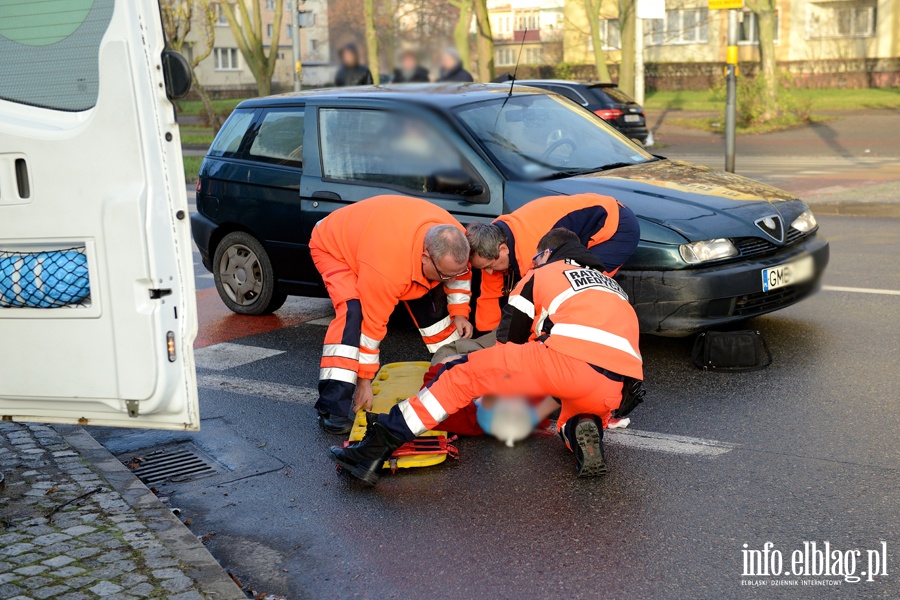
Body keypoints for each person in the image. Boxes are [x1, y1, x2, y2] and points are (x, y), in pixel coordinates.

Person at [329, 228, 644, 484]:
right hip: (617, 387)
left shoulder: (544, 274)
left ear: (547, 254)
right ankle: (581, 429)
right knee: (573, 411)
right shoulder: (613, 285)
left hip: (566, 361)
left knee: (459, 377)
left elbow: (512, 341)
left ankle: (375, 448)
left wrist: (482, 372)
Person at [309, 196, 474, 434]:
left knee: (434, 304)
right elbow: (372, 326)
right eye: (444, 274)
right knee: (352, 313)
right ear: (425, 257)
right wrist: (365, 381)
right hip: (334, 246)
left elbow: (458, 273)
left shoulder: (454, 237)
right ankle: (332, 406)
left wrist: (459, 313)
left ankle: (454, 377)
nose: (450, 280)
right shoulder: (386, 270)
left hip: (378, 242)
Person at [466, 193, 640, 332]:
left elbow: (535, 300)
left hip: (615, 226)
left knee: (580, 286)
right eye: (483, 268)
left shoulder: (533, 252)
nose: (488, 272)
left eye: (489, 266)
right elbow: (490, 294)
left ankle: (591, 333)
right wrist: (487, 336)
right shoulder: (491, 244)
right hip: (573, 228)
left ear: (503, 249)